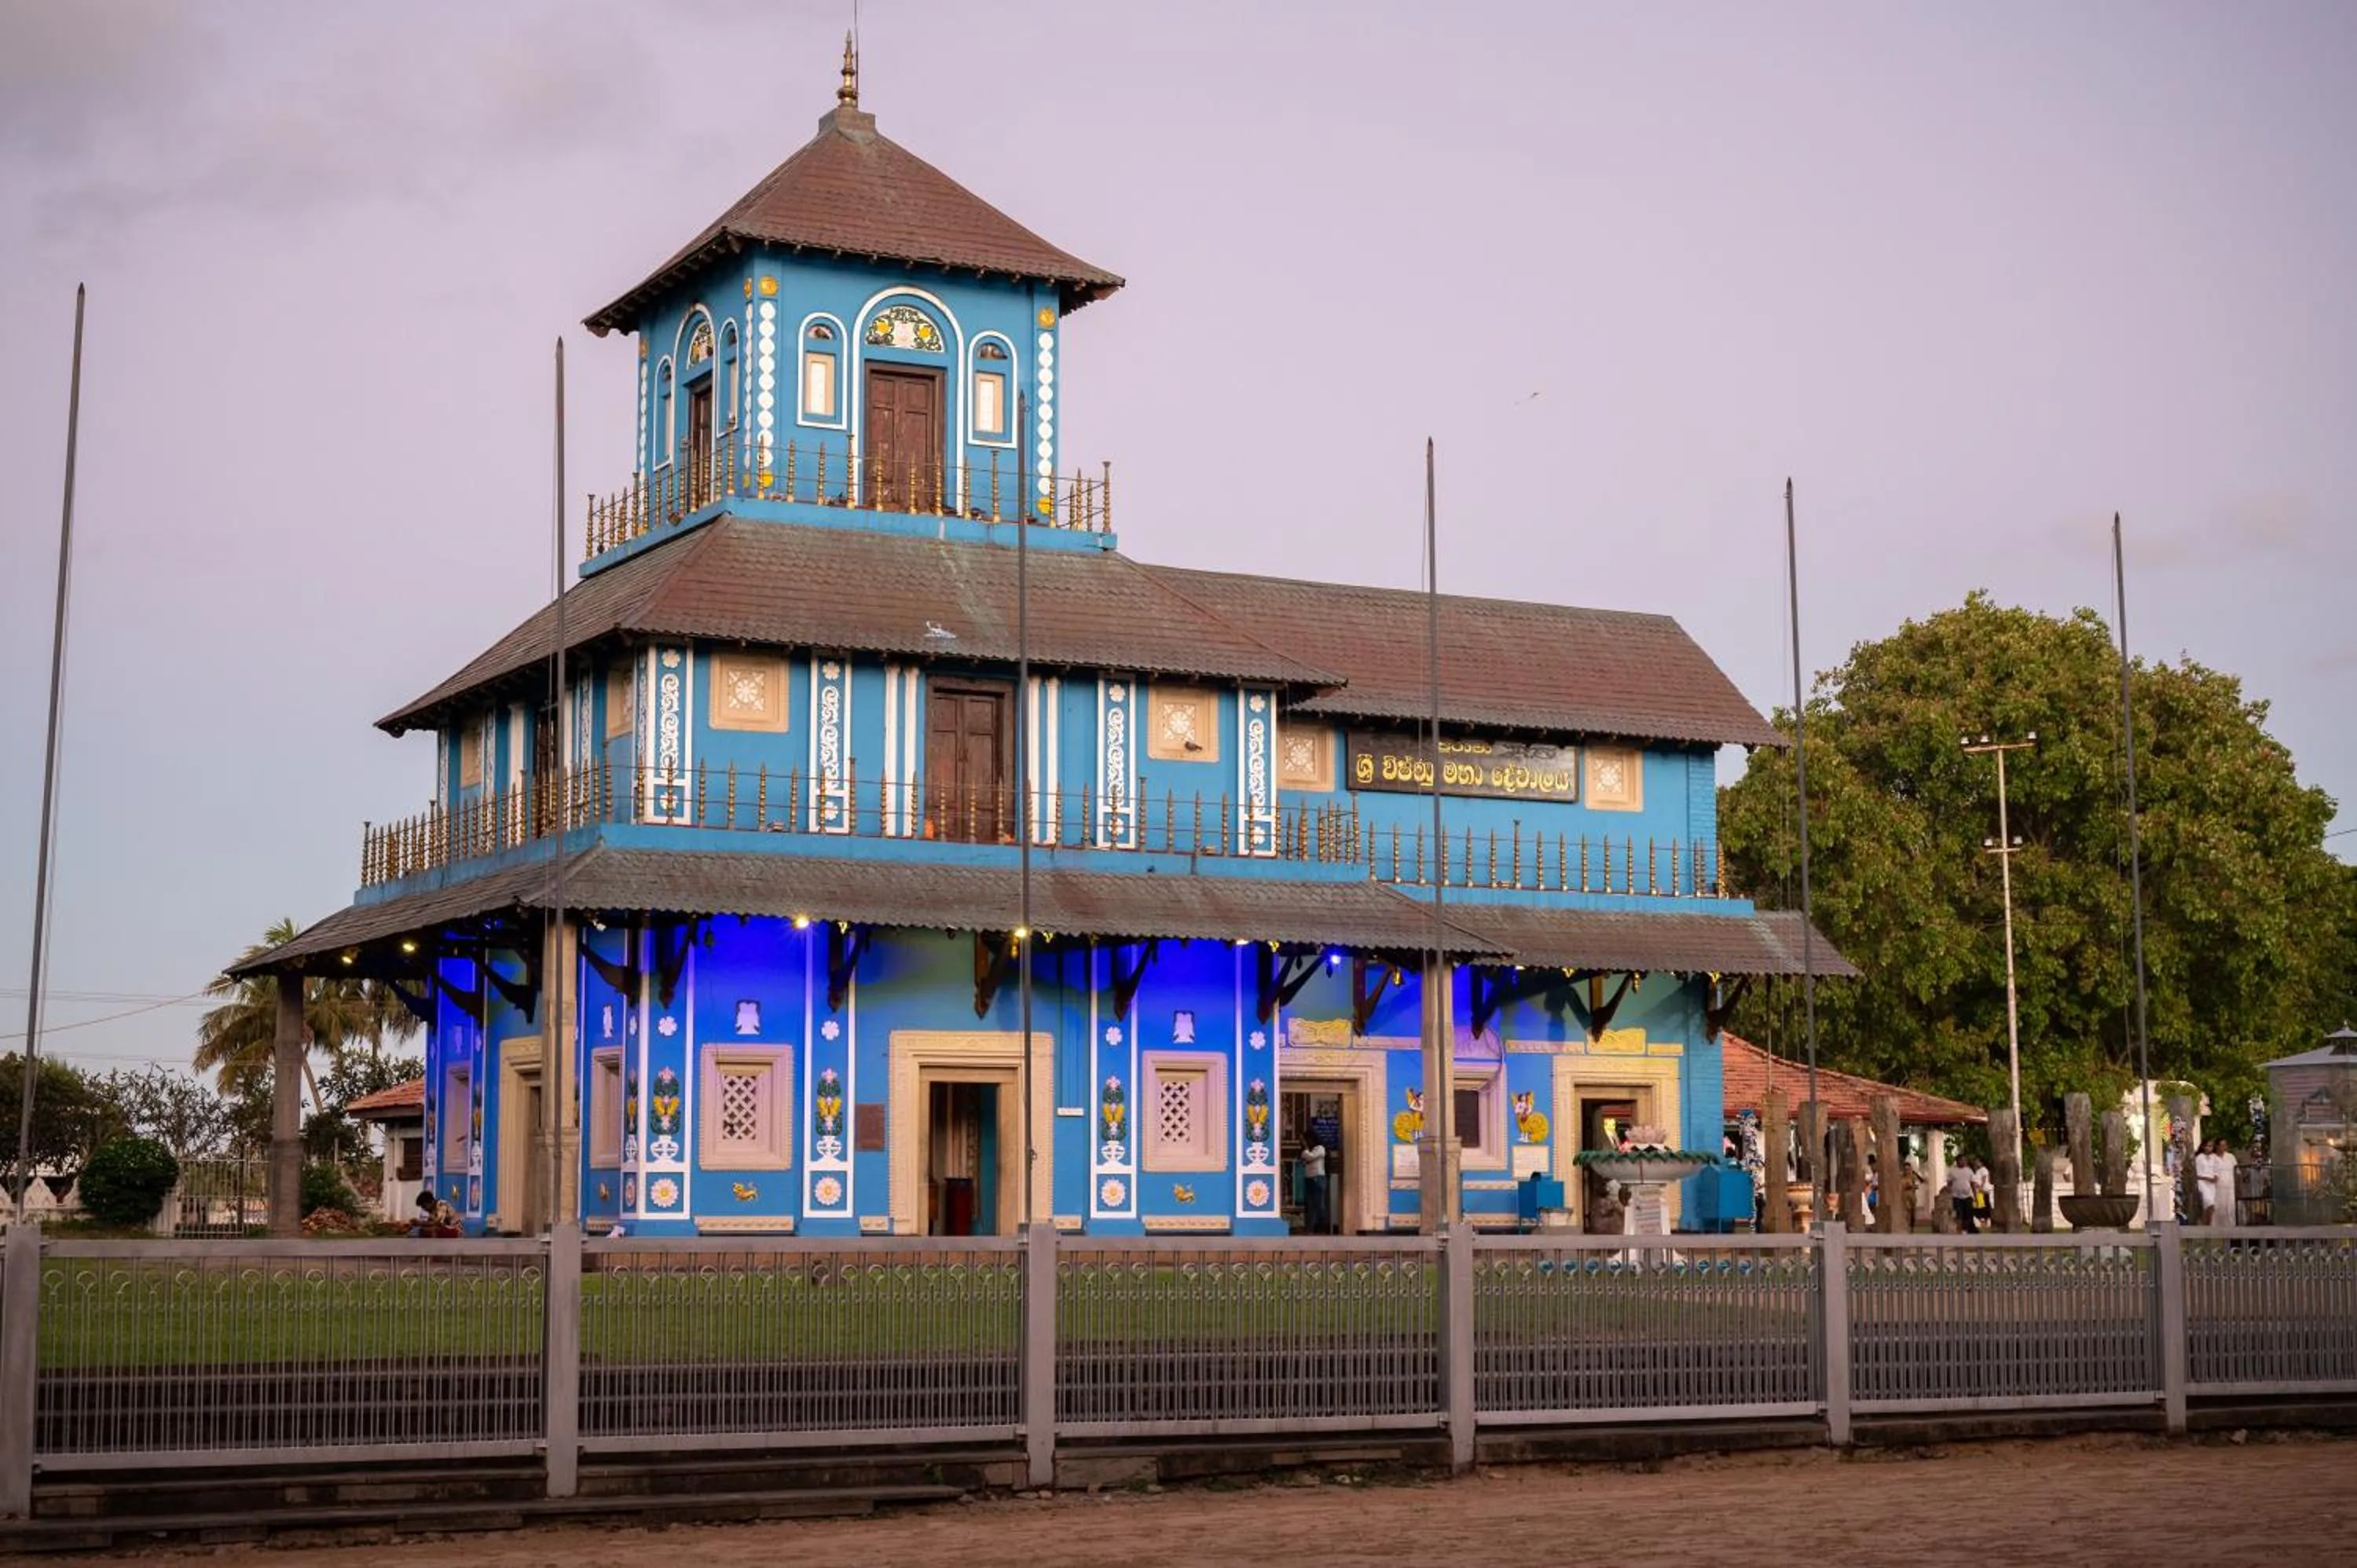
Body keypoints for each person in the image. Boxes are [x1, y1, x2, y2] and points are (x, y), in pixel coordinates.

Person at [1300, 1138, 1331, 1235]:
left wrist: (1305, 1148)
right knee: (1310, 1204)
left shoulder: (1320, 1148)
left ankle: (1321, 1228)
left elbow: (1310, 1157)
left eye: (1304, 1140)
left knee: (1319, 1204)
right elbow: (1304, 1160)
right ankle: (1310, 1228)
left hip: (1318, 1178)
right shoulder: (1307, 1151)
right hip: (1309, 1178)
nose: (1303, 1142)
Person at [1947, 1160, 1978, 1233]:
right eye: (1961, 1160)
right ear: (1958, 1161)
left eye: (1964, 1160)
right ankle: (1959, 1230)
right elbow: (1949, 1184)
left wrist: (1975, 1197)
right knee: (1959, 1215)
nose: (1963, 1162)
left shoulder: (1969, 1171)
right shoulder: (1953, 1171)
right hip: (1956, 1197)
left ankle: (1966, 1230)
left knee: (1968, 1215)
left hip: (1967, 1196)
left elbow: (1972, 1184)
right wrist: (1949, 1195)